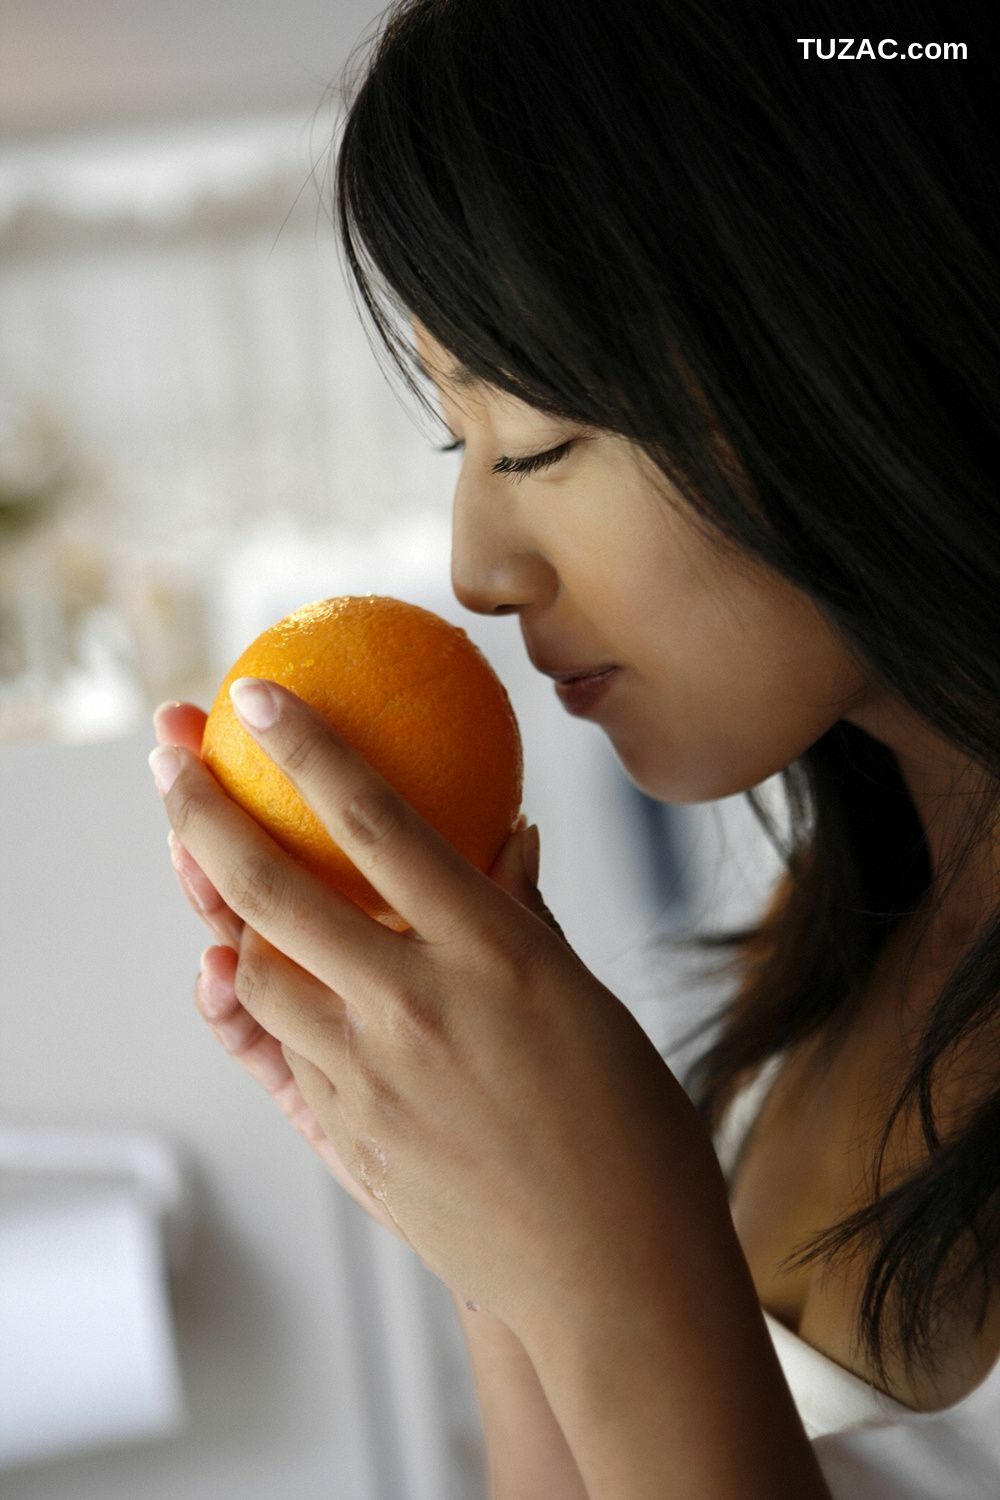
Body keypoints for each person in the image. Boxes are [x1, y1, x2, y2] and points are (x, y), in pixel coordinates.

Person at [150, 1, 999, 1494]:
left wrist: (610, 1273)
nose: (475, 569)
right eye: (459, 445)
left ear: (854, 322)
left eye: (533, 439)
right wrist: (491, 1224)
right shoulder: (833, 957)